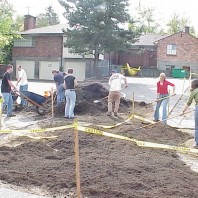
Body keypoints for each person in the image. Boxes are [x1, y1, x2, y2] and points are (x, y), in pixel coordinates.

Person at [181, 79, 198, 149]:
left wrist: (183, 111)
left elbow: (189, 102)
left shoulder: (194, 91)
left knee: (197, 127)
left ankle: (197, 143)